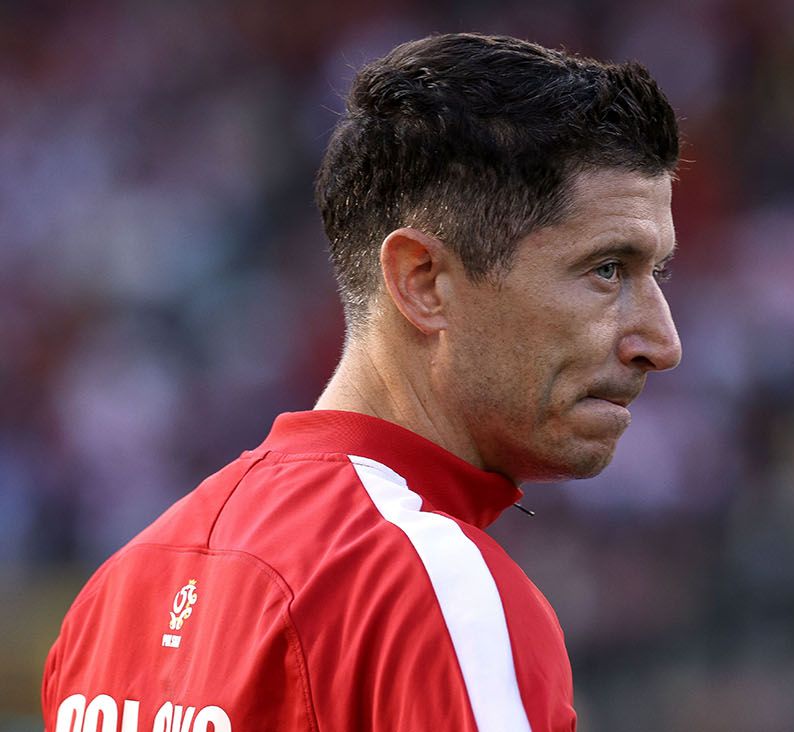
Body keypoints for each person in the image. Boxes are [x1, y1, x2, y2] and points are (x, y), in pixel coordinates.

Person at [42, 32, 681, 732]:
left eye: (659, 273)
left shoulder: (116, 596)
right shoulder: (435, 591)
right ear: (424, 282)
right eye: (607, 269)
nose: (661, 342)